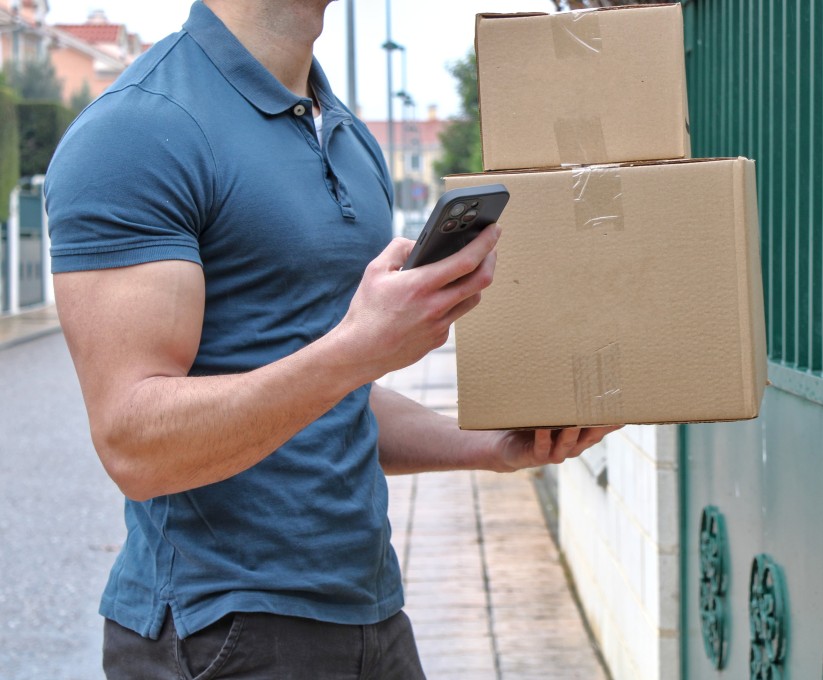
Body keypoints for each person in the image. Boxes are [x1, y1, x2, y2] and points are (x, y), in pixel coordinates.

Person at [45, 0, 618, 678]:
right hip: (221, 630)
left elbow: (329, 396)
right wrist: (359, 346)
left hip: (370, 615)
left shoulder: (340, 130)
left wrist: (494, 449)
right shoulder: (137, 131)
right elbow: (134, 443)